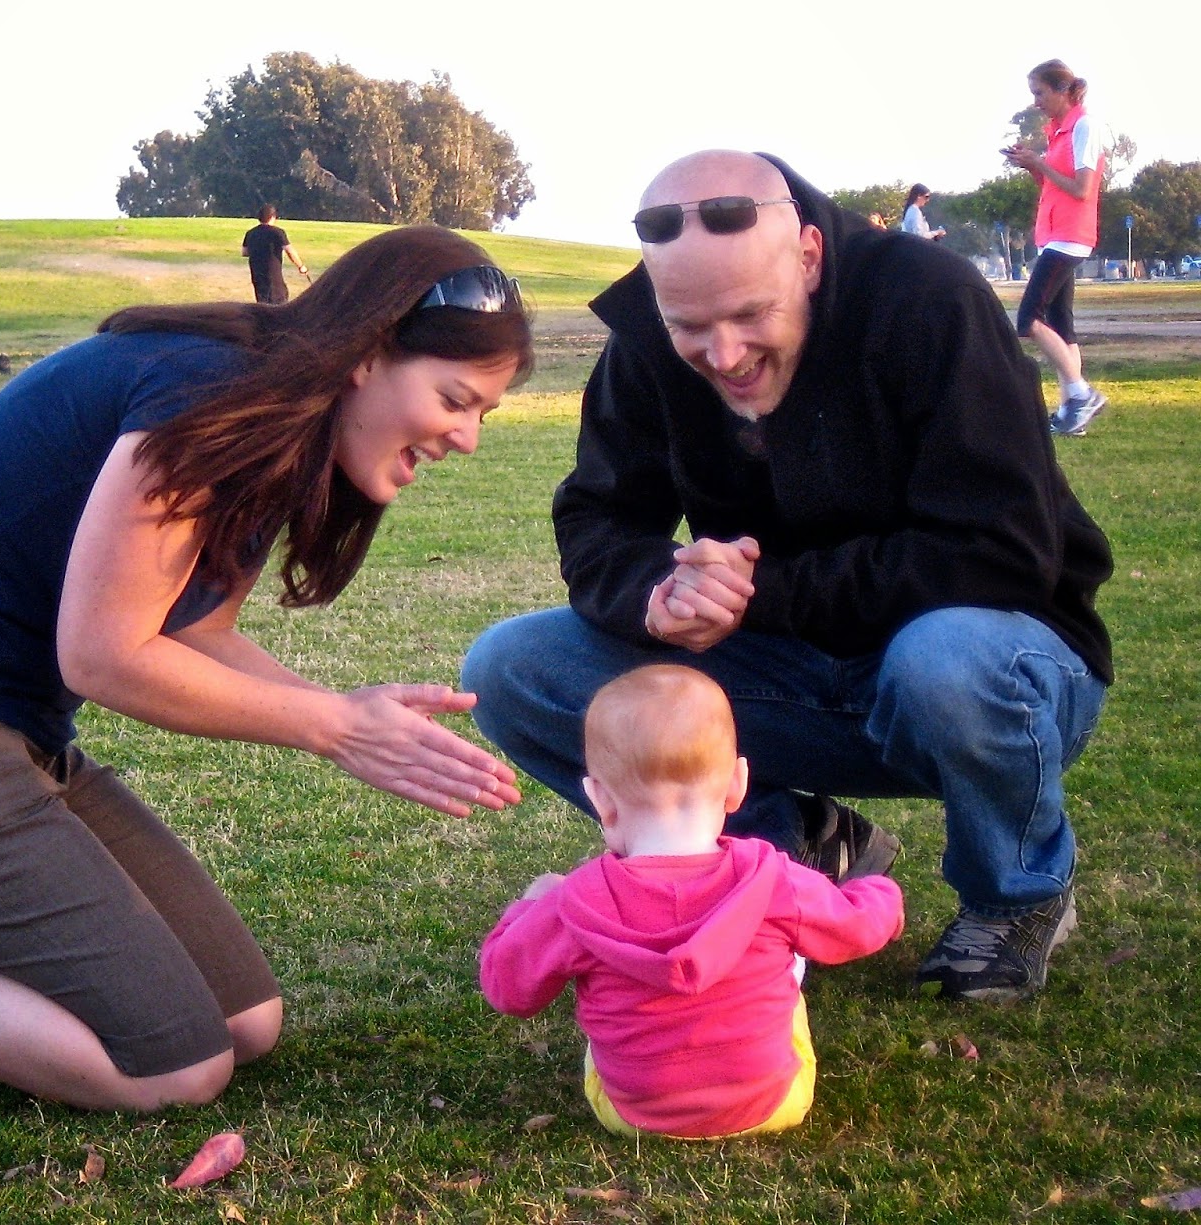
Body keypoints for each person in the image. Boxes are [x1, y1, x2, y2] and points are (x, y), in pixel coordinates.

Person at [0, 225, 533, 1112]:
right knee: (172, 1068)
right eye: (455, 399)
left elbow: (191, 631)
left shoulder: (273, 422)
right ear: (369, 353)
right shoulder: (206, 394)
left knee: (246, 1020)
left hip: (16, 746)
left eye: (484, 413)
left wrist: (346, 712)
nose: (467, 437)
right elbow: (102, 655)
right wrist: (335, 729)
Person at [461, 149, 1113, 1007]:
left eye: (750, 315)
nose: (724, 353)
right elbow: (598, 517)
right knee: (513, 669)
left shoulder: (930, 301)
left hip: (993, 663)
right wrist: (658, 595)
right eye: (691, 325)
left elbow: (1001, 552)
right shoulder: (650, 339)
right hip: (786, 668)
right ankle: (789, 847)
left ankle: (1017, 892)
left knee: (944, 659)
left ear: (808, 255)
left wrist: (762, 592)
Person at [480, 666, 903, 1140]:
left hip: (631, 1115)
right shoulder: (773, 879)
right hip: (774, 1103)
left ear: (600, 800)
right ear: (738, 784)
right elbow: (858, 928)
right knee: (791, 967)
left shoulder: (575, 903)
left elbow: (507, 988)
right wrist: (880, 893)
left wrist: (530, 907)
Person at [1003, 59, 1109, 437]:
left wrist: (1040, 162)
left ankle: (1081, 393)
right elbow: (1054, 185)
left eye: (1040, 93)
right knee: (1062, 324)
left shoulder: (1084, 126)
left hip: (1070, 235)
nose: (1036, 102)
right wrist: (1033, 166)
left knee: (1028, 319)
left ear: (1062, 90)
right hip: (1054, 234)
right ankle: (1071, 415)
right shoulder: (1058, 131)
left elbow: (1082, 189)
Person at [242, 205, 309, 304]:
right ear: (273, 217)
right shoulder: (278, 232)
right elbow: (289, 251)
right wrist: (301, 266)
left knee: (262, 302)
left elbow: (245, 252)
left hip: (257, 274)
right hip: (273, 274)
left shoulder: (250, 233)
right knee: (279, 302)